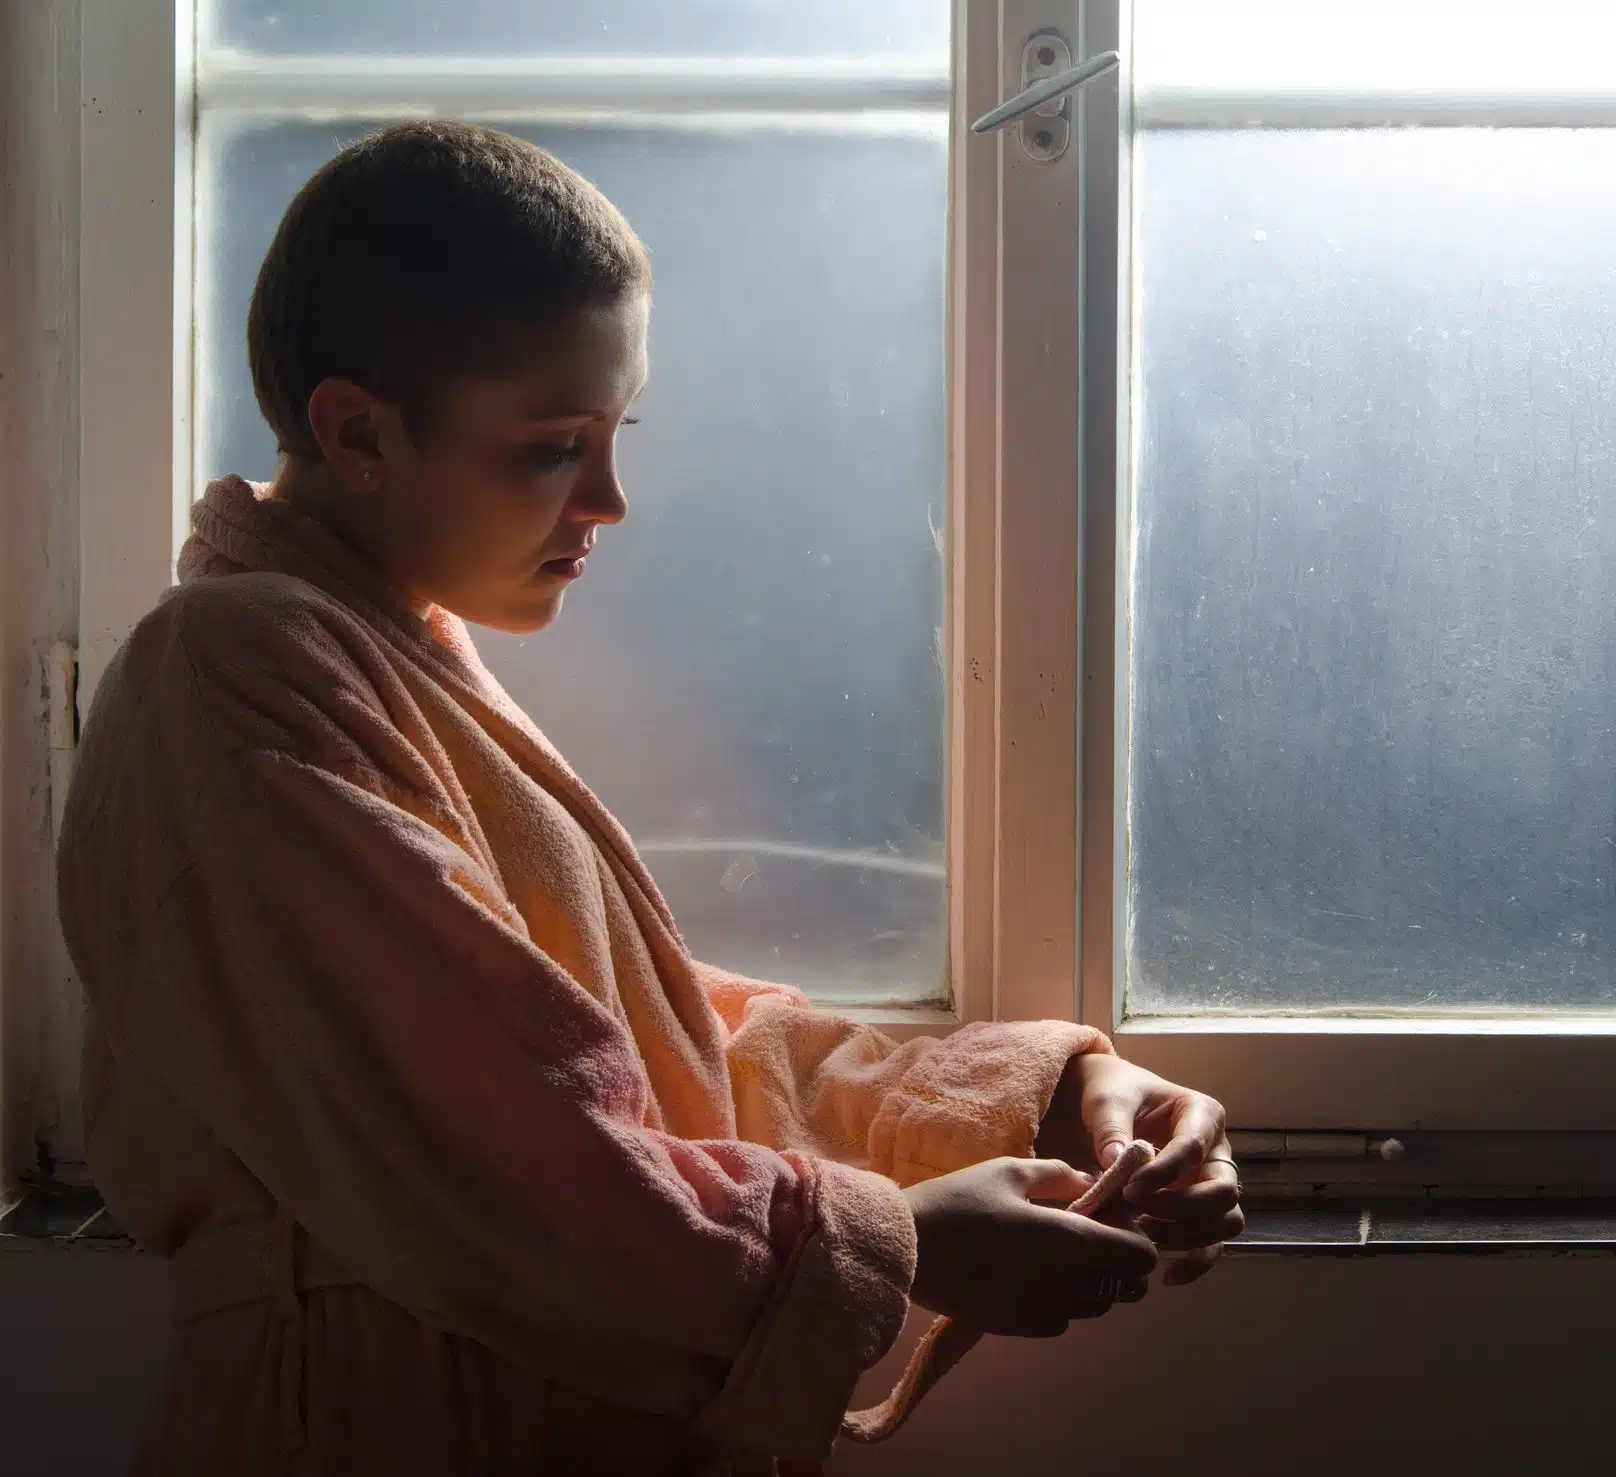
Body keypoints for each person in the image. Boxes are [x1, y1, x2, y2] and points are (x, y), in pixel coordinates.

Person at [56, 121, 1243, 1476]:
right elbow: (507, 1158)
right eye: (554, 447)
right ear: (358, 431)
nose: (612, 500)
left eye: (615, 433)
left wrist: (1053, 1094)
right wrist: (906, 1243)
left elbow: (664, 1054)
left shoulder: (367, 661)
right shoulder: (231, 674)